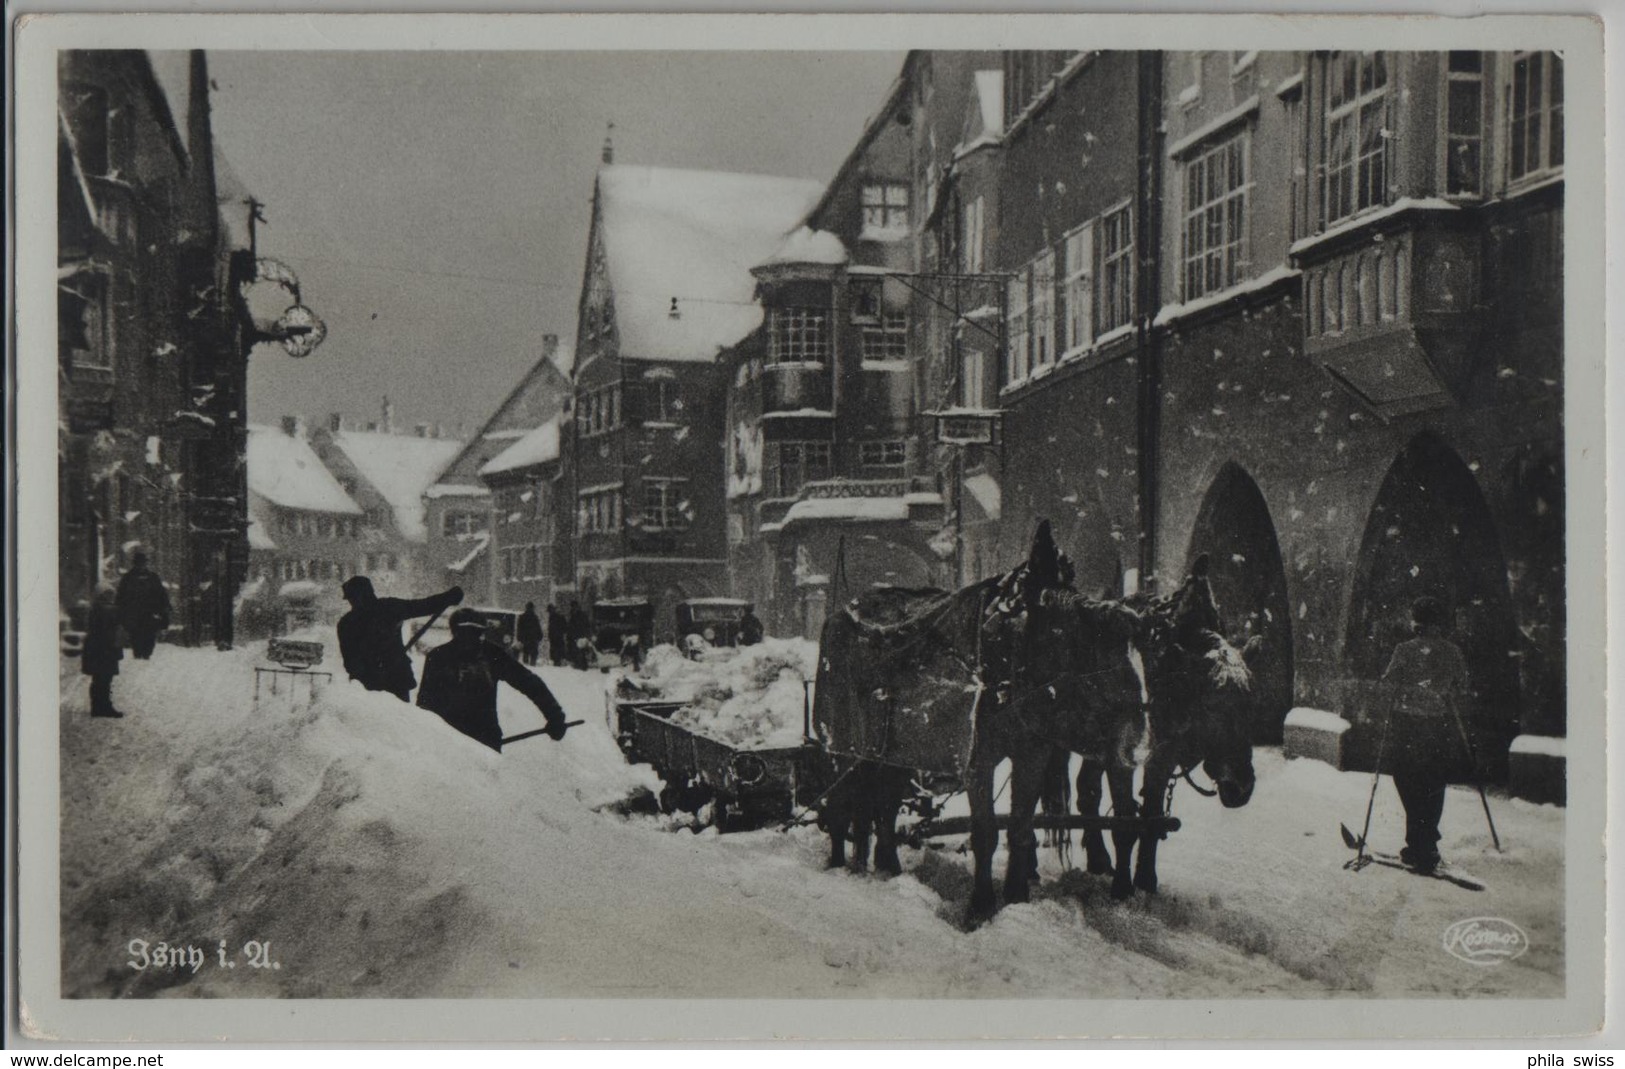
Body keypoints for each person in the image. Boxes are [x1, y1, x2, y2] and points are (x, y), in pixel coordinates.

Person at [1381, 596, 1473, 874]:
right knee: (1433, 783)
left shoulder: (1404, 649)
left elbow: (1389, 682)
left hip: (1408, 724)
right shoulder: (1452, 651)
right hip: (1439, 726)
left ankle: (1417, 843)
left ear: (1416, 621)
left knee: (1407, 780)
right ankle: (1426, 844)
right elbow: (1463, 685)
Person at [416, 608, 570, 752]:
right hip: (475, 741)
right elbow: (530, 683)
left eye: (473, 633)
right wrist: (555, 715)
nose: (469, 640)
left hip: (450, 743)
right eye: (466, 633)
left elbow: (424, 704)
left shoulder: (439, 656)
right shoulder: (490, 654)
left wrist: (555, 716)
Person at [337, 576, 463, 702]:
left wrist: (447, 597)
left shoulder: (383, 610)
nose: (353, 601)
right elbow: (350, 660)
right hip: (383, 681)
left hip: (386, 681)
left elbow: (422, 606)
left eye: (353, 597)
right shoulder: (384, 609)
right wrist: (447, 597)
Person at [115, 550, 171, 660]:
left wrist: (164, 608)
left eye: (143, 563)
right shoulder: (128, 578)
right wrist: (120, 612)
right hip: (134, 614)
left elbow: (161, 594)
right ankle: (139, 654)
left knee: (149, 636)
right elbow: (121, 596)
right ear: (135, 564)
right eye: (139, 563)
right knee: (136, 636)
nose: (141, 565)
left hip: (150, 613)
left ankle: (146, 654)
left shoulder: (152, 577)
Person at [82, 585, 124, 718]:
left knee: (98, 679)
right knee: (105, 680)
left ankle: (96, 707)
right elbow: (115, 631)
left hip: (95, 649)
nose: (112, 596)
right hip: (107, 650)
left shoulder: (94, 609)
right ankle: (105, 707)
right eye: (109, 593)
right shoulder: (111, 610)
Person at [567, 599, 591, 670]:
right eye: (572, 606)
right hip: (574, 637)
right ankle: (579, 665)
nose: (573, 608)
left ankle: (582, 665)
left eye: (574, 606)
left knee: (580, 652)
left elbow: (585, 626)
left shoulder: (580, 615)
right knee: (577, 652)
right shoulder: (573, 615)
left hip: (580, 636)